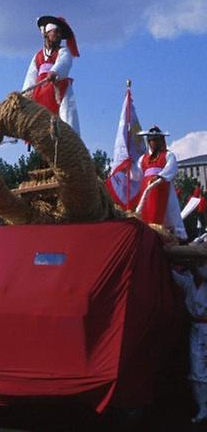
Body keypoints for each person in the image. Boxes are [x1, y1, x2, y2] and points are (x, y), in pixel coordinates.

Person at [22, 15, 80, 134]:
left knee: (66, 114)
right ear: (47, 34)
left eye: (61, 33)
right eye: (56, 32)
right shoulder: (37, 56)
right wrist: (25, 96)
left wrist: (55, 71)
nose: (59, 36)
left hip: (59, 87)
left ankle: (70, 137)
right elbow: (31, 77)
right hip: (41, 91)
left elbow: (64, 62)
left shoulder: (63, 51)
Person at [137, 126, 187, 240]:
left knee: (169, 212)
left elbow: (171, 168)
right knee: (146, 212)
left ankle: (176, 236)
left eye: (157, 140)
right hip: (147, 189)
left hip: (163, 186)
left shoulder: (168, 155)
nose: (155, 143)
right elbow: (137, 175)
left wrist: (160, 176)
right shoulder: (143, 158)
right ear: (149, 142)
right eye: (152, 140)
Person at [172, 263, 207, 423]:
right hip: (196, 329)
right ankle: (203, 407)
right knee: (197, 369)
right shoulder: (189, 281)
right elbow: (173, 275)